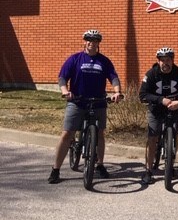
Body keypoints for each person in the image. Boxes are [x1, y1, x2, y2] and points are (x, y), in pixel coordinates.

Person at [48, 29, 123, 184]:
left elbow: (113, 77)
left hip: (98, 102)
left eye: (95, 41)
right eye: (89, 40)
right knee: (67, 134)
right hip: (77, 101)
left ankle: (100, 165)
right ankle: (55, 169)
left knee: (100, 133)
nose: (92, 43)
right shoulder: (75, 59)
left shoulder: (104, 61)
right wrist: (65, 91)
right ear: (85, 42)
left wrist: (117, 92)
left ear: (98, 44)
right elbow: (62, 77)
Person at [139, 47, 178, 185]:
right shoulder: (151, 74)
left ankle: (170, 164)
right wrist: (160, 100)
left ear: (172, 60)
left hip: (174, 108)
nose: (166, 63)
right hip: (156, 109)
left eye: (168, 60)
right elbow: (143, 94)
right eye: (163, 60)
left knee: (174, 134)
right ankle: (148, 170)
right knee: (152, 137)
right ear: (158, 62)